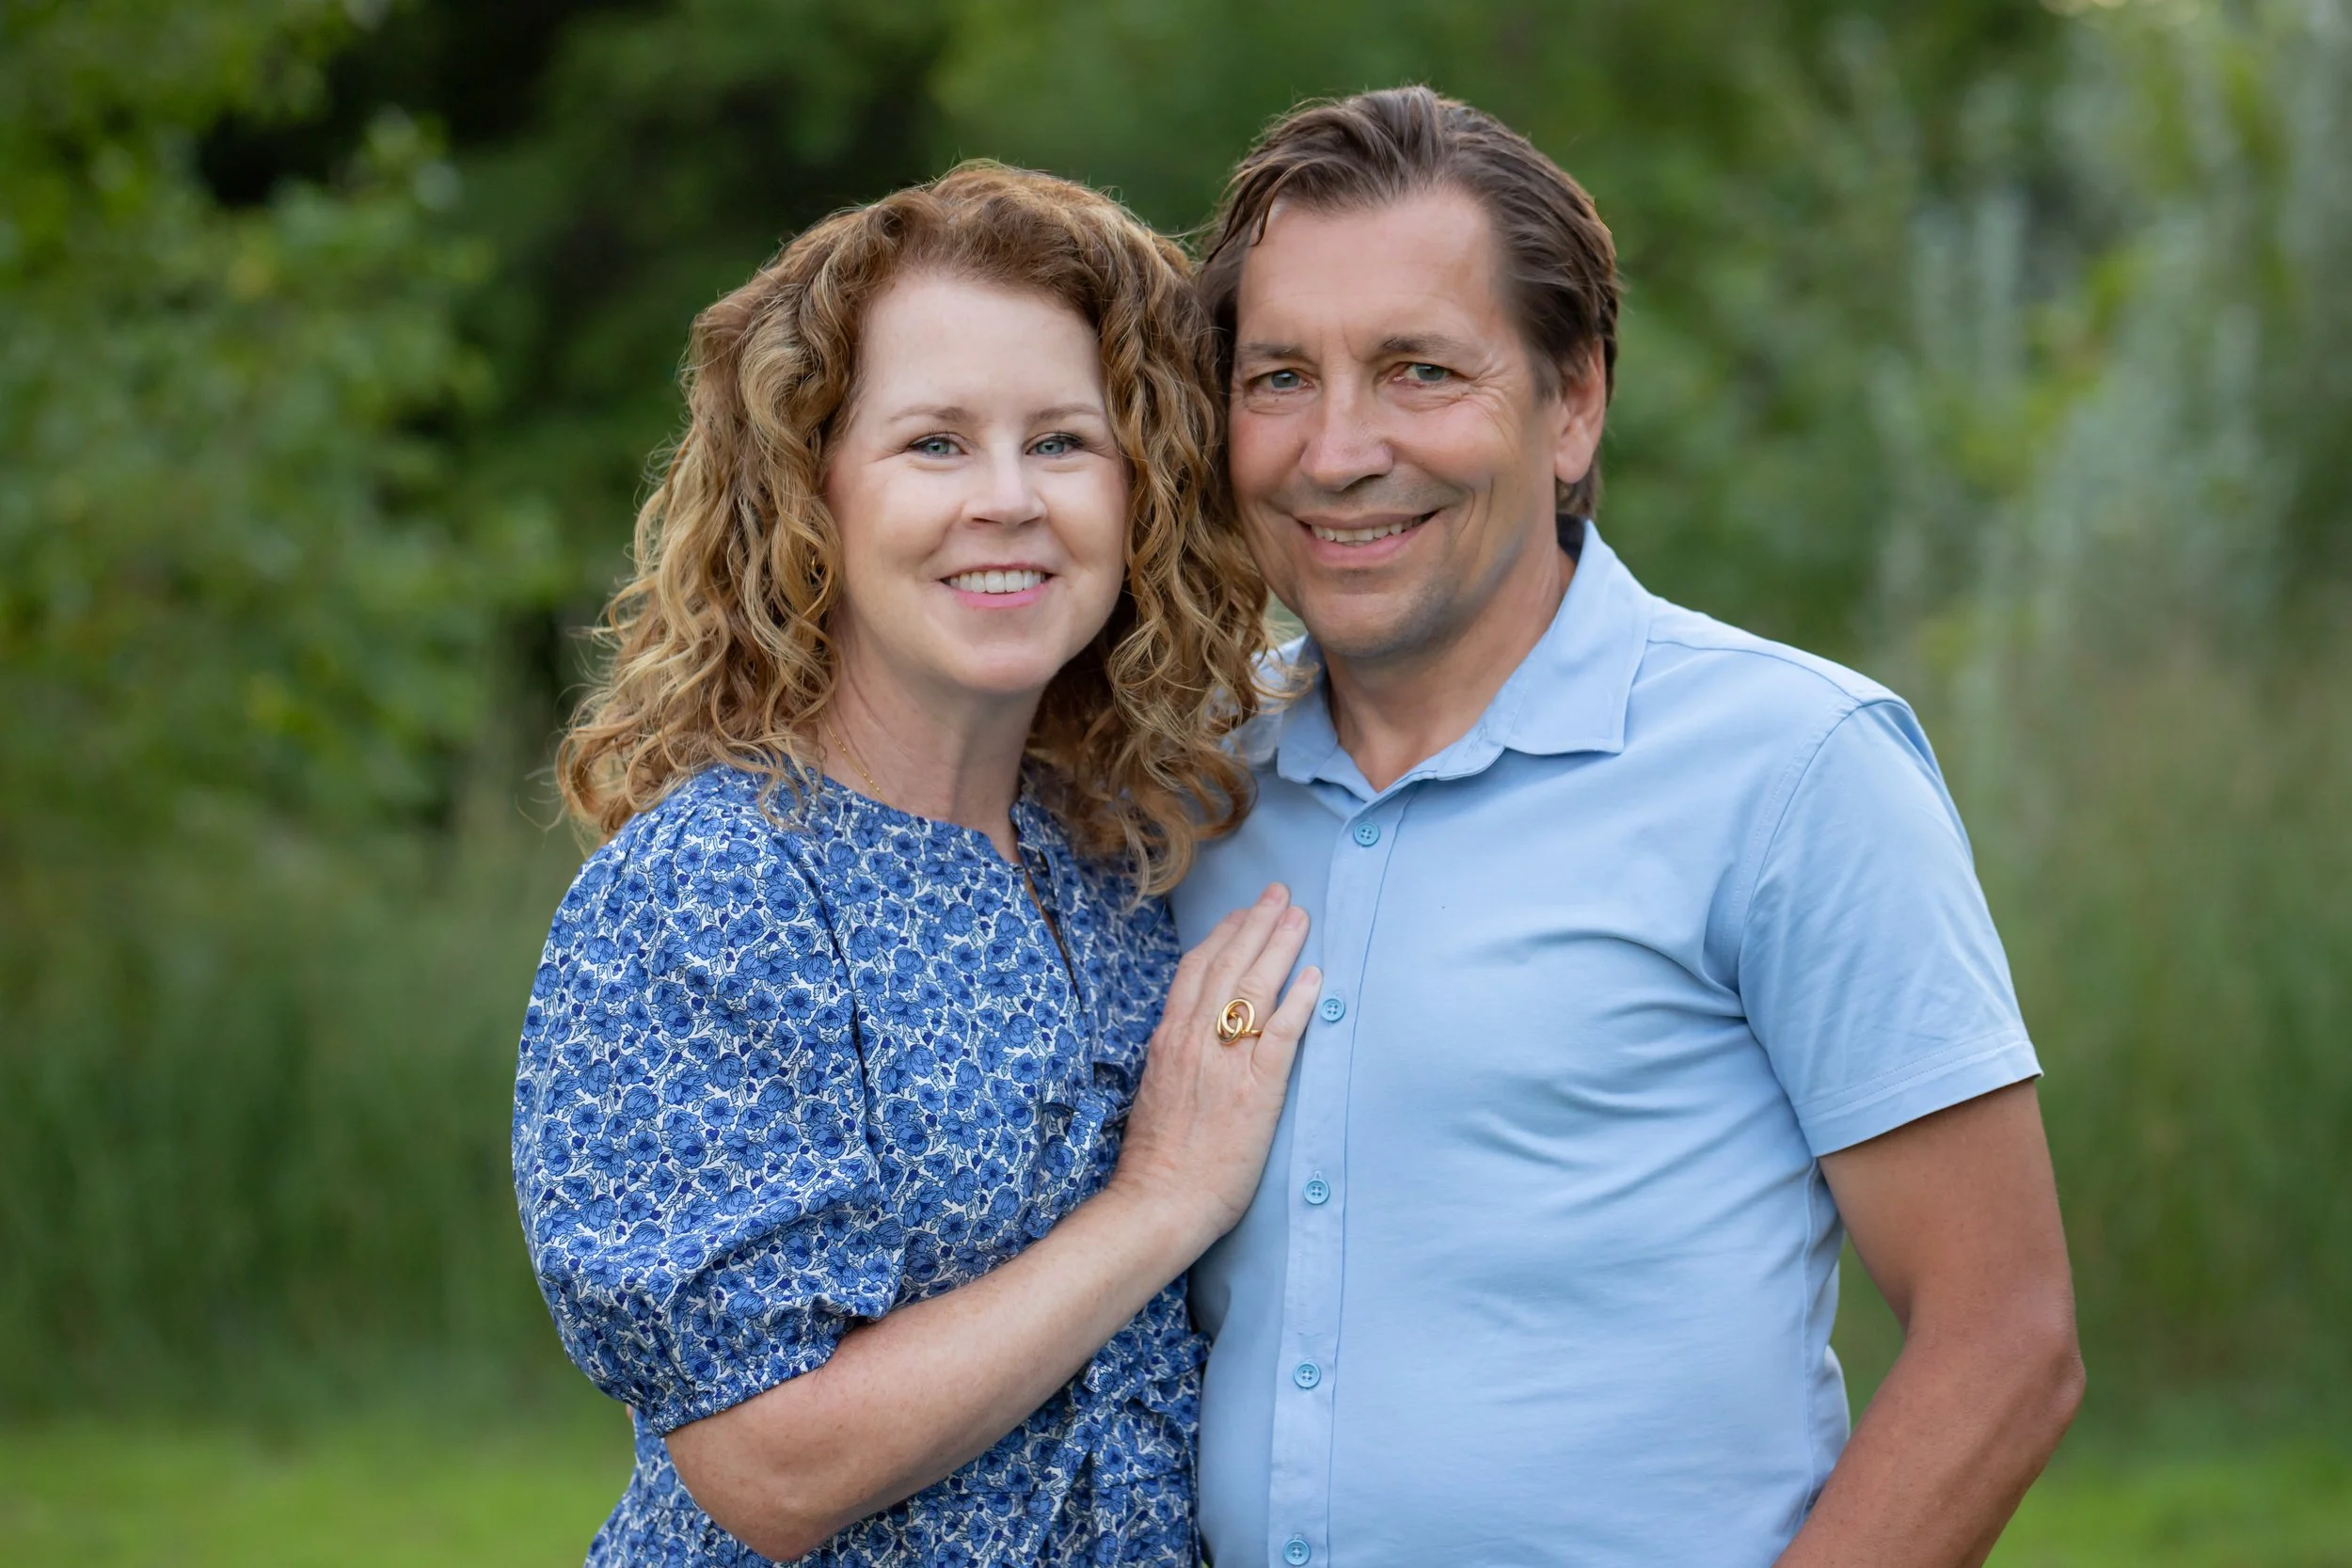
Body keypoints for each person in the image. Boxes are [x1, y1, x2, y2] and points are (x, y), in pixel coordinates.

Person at [1171, 87, 2085, 1568]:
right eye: (1280, 377)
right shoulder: (1185, 790)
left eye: (1419, 371)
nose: (1335, 451)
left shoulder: (1792, 769)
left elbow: (2005, 1340)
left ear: (1575, 401)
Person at [513, 162, 1321, 1567]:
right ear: (809, 490)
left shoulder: (1120, 855)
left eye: (1062, 441)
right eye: (935, 444)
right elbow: (771, 1466)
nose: (1007, 499)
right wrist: (1163, 1198)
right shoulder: (712, 893)